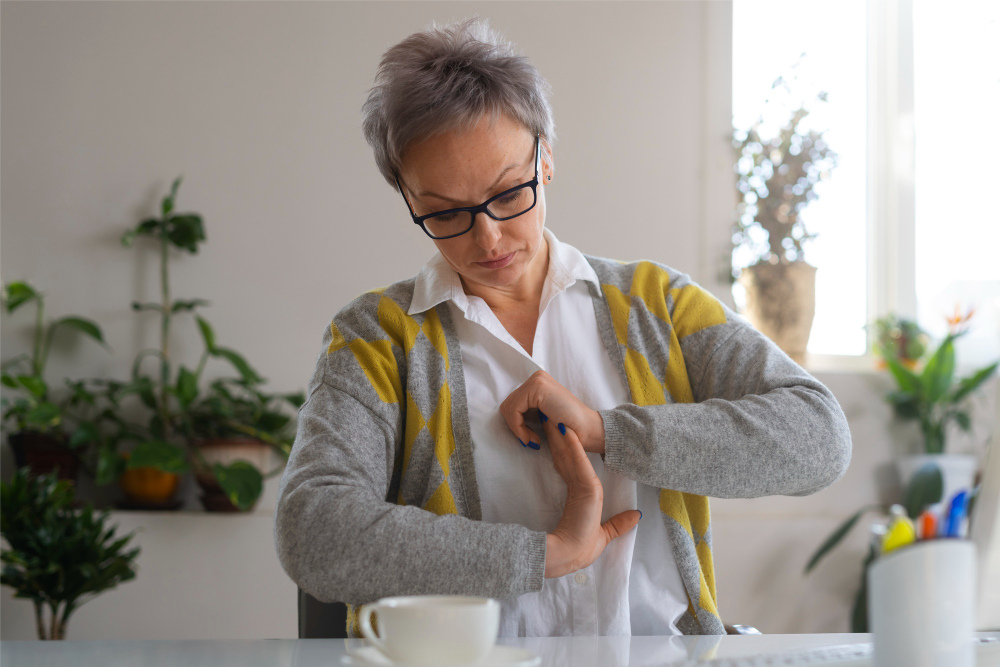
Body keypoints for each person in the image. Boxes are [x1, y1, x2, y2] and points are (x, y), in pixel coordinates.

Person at [274, 17, 852, 638]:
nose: (488, 236)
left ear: (545, 159)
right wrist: (545, 555)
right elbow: (314, 529)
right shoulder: (377, 339)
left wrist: (608, 430)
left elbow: (819, 438)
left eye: (507, 193)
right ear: (407, 198)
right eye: (445, 214)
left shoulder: (658, 306)